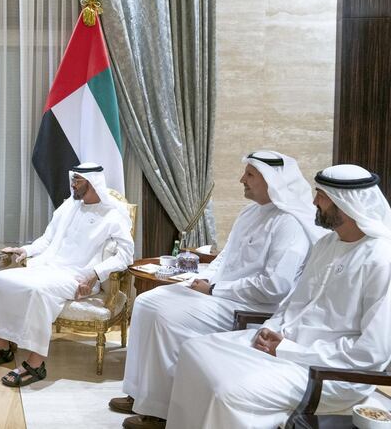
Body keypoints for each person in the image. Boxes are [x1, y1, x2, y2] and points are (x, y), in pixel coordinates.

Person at [163, 164, 391, 428]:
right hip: (285, 345)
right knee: (195, 350)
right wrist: (270, 328)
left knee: (226, 389)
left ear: (348, 204)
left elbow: (371, 354)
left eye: (322, 195)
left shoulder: (381, 260)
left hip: (330, 374)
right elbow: (294, 302)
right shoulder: (326, 244)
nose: (314, 200)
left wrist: (289, 349)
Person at [119, 151, 326, 429]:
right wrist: (201, 283)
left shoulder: (289, 222)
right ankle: (141, 393)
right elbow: (224, 258)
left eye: (250, 175)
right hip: (221, 294)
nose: (242, 179)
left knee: (165, 316)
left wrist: (215, 289)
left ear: (272, 181)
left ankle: (161, 410)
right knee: (147, 302)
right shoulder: (250, 212)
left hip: (251, 304)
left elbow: (275, 287)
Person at [0, 163, 134, 387]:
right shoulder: (69, 206)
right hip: (49, 267)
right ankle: (1, 347)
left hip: (79, 276)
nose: (73, 184)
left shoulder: (113, 214)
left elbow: (126, 256)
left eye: (77, 180)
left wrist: (95, 274)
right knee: (3, 279)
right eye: (73, 179)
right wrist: (25, 250)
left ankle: (36, 363)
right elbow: (47, 239)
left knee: (38, 291)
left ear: (93, 182)